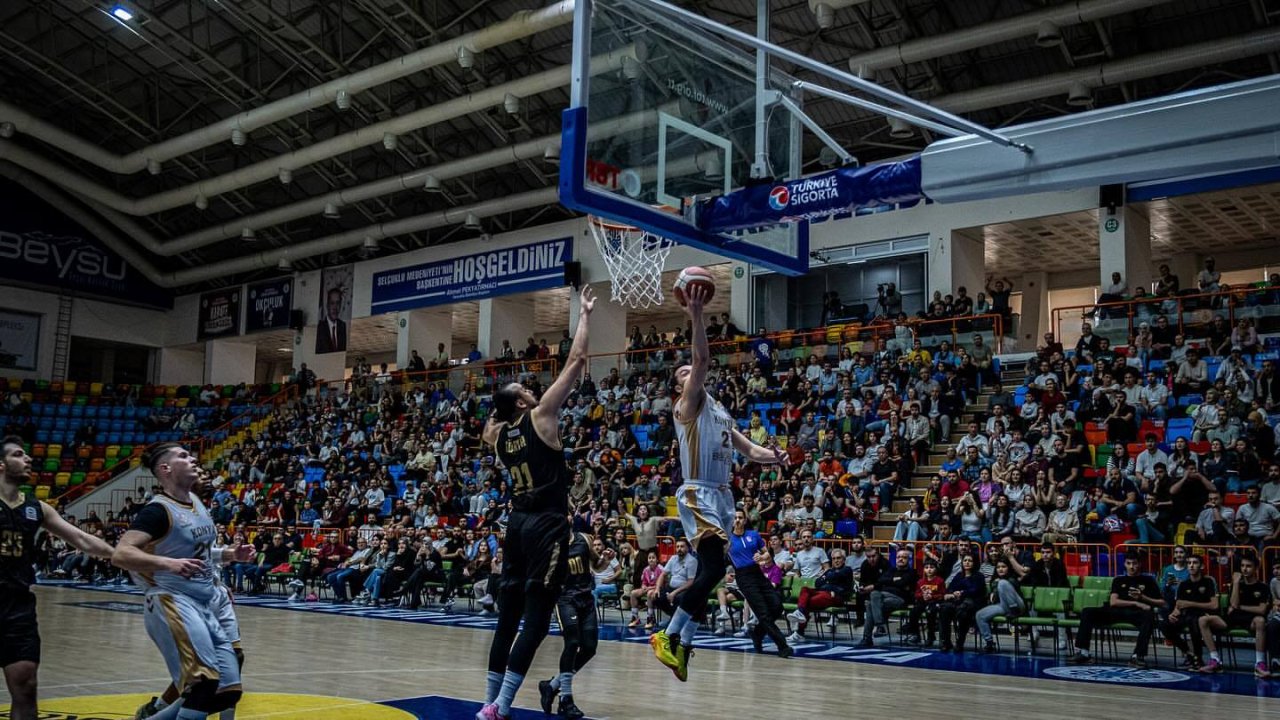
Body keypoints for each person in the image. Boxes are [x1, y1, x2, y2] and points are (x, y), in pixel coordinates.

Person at [650, 284, 789, 683]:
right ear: (680, 386)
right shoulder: (687, 404)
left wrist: (774, 457)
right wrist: (695, 313)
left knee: (712, 572)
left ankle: (684, 645)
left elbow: (750, 451)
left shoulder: (721, 411)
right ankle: (671, 635)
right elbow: (702, 357)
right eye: (683, 373)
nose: (689, 373)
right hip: (698, 492)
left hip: (724, 496)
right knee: (711, 569)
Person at [476, 286, 596, 720]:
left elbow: (492, 418)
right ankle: (502, 707)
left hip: (516, 526)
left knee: (506, 618)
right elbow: (577, 362)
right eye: (525, 389)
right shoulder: (542, 416)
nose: (532, 389)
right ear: (523, 403)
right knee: (538, 622)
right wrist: (583, 314)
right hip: (545, 525)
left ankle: (487, 700)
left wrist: (502, 403)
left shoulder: (496, 437)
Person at [112, 443, 256, 720]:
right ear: (165, 469)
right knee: (204, 684)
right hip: (173, 600)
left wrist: (228, 554)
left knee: (227, 691)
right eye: (183, 456)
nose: (192, 458)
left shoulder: (195, 502)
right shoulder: (157, 510)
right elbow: (121, 554)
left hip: (204, 599)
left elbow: (193, 552)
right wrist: (168, 564)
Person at [1, 435, 117, 720]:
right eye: (18, 454)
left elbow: (83, 540)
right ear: (1, 465)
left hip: (17, 607)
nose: (28, 458)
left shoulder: (37, 508)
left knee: (26, 684)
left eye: (27, 454)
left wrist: (126, 558)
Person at [538, 530, 599, 720]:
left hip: (586, 598)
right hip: (565, 599)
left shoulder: (585, 539)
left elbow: (596, 564)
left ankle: (552, 685)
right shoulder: (551, 543)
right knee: (572, 643)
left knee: (589, 648)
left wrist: (606, 558)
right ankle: (566, 699)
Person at [1066, 556, 1164, 668]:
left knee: (1149, 616)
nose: (1132, 567)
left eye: (1134, 563)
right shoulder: (1118, 579)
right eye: (1129, 563)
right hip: (1116, 611)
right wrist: (1135, 603)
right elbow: (1113, 601)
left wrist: (1143, 597)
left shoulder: (1148, 580)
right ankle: (1083, 653)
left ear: (1139, 564)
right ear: (1125, 564)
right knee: (1087, 611)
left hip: (1137, 613)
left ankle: (1137, 656)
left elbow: (1161, 602)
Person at [725, 512, 791, 657]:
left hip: (757, 573)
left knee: (776, 606)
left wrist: (761, 557)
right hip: (743, 577)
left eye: (740, 518)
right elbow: (721, 558)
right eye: (735, 518)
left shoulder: (753, 534)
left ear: (745, 520)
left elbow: (767, 553)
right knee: (763, 613)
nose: (737, 520)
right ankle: (783, 645)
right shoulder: (727, 539)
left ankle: (757, 633)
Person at [1198, 554, 1270, 677]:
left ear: (1256, 568)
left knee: (1260, 621)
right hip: (1232, 618)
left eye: (1248, 566)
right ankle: (1215, 660)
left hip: (1251, 620)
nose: (1245, 569)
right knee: (1203, 620)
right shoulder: (1236, 584)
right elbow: (1234, 603)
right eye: (1242, 566)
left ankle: (1259, 663)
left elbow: (1262, 610)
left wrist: (1240, 607)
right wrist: (1236, 583)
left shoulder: (1263, 587)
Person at [1159, 554, 1217, 670]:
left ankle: (1198, 659)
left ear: (1201, 566)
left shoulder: (1208, 582)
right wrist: (1173, 614)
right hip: (1185, 615)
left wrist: (1191, 604)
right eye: (1189, 563)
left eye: (1195, 563)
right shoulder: (1183, 584)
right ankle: (1188, 652)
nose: (1191, 566)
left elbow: (1214, 605)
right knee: (1164, 624)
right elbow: (1178, 606)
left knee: (1193, 620)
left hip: (1202, 615)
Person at [315, 286, 348, 353]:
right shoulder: (320, 327)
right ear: (327, 305)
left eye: (338, 303)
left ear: (341, 305)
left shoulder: (343, 326)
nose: (335, 308)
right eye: (332, 303)